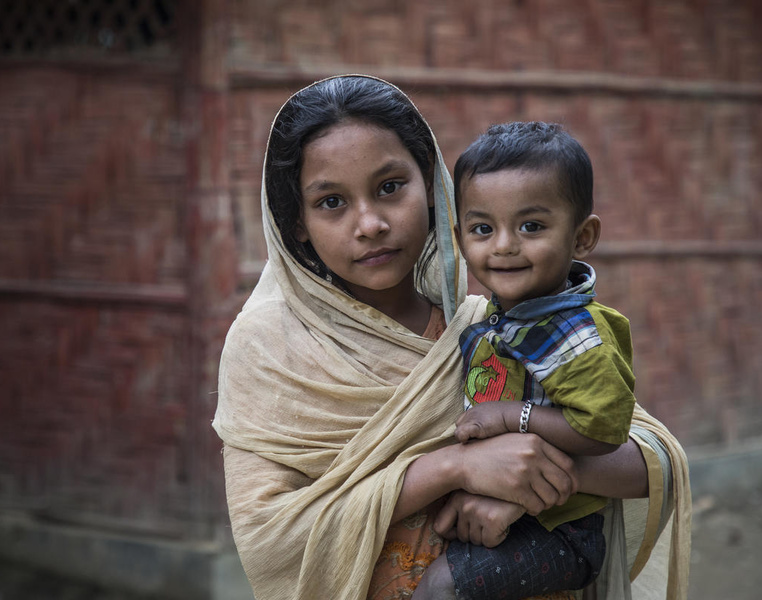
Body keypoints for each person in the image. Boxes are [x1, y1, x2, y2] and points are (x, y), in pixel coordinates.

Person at [211, 75, 691, 600]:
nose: (369, 223)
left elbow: (652, 462)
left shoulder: (493, 327)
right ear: (296, 222)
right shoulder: (268, 350)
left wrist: (521, 482)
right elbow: (268, 536)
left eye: (390, 187)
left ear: (434, 187)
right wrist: (454, 467)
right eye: (331, 202)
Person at [413, 121, 638, 600]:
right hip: (515, 512)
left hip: (562, 530)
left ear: (582, 237)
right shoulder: (496, 319)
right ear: (459, 237)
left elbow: (604, 429)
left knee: (439, 588)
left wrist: (512, 417)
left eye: (531, 226)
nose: (503, 245)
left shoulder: (577, 334)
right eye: (482, 228)